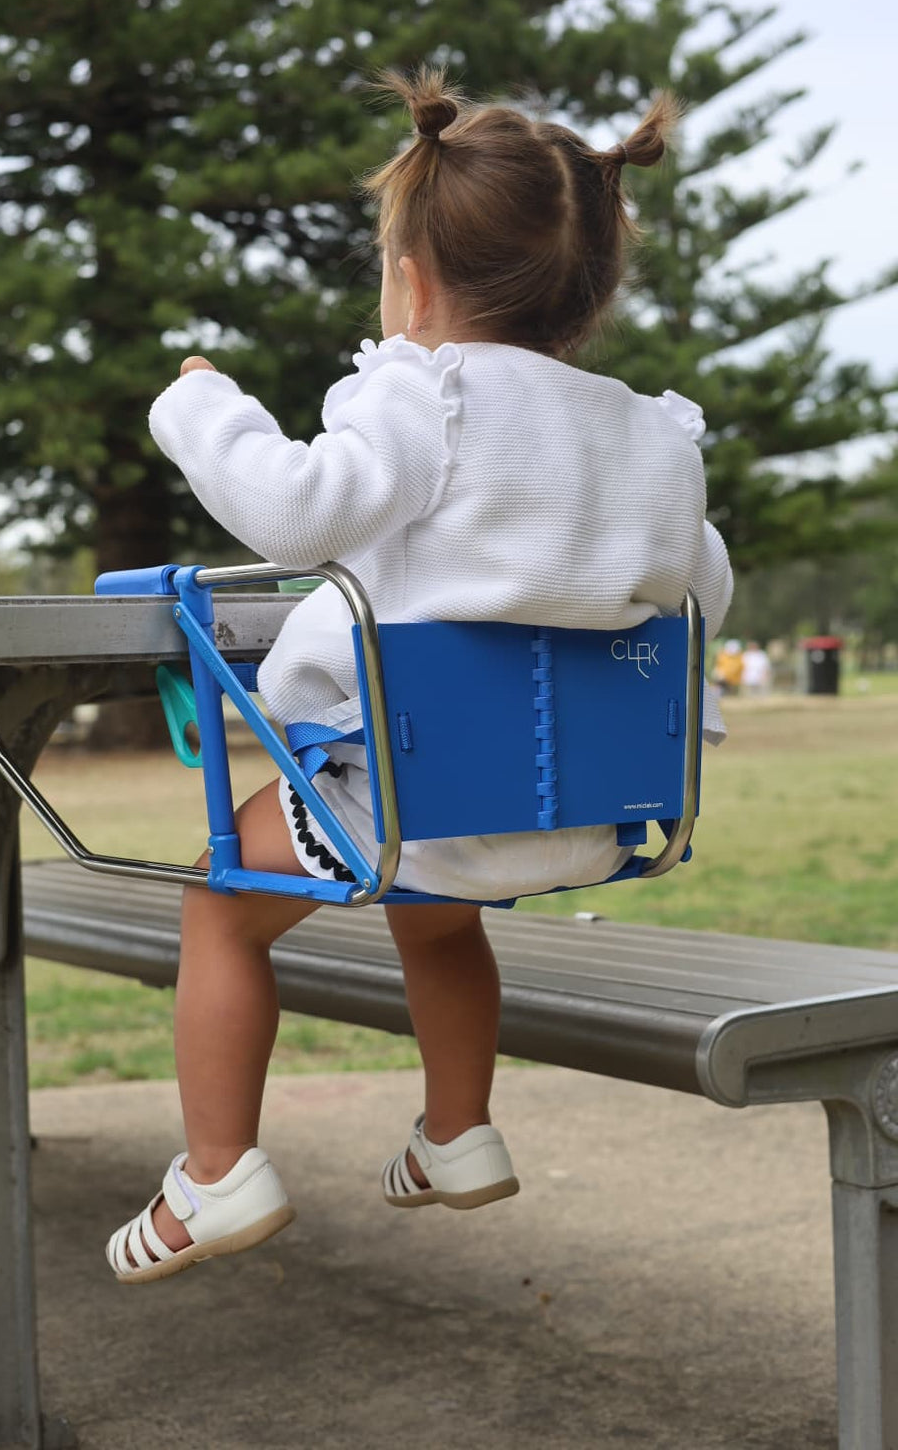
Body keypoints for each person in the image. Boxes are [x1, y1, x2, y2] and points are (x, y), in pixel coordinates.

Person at [105, 68, 734, 1283]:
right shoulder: (655, 436)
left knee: (215, 910)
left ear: (411, 281)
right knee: (434, 920)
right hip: (576, 813)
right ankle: (456, 1134)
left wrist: (201, 409)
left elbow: (290, 512)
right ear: (589, 295)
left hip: (400, 801)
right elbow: (701, 596)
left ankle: (216, 1175)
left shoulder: (424, 395)